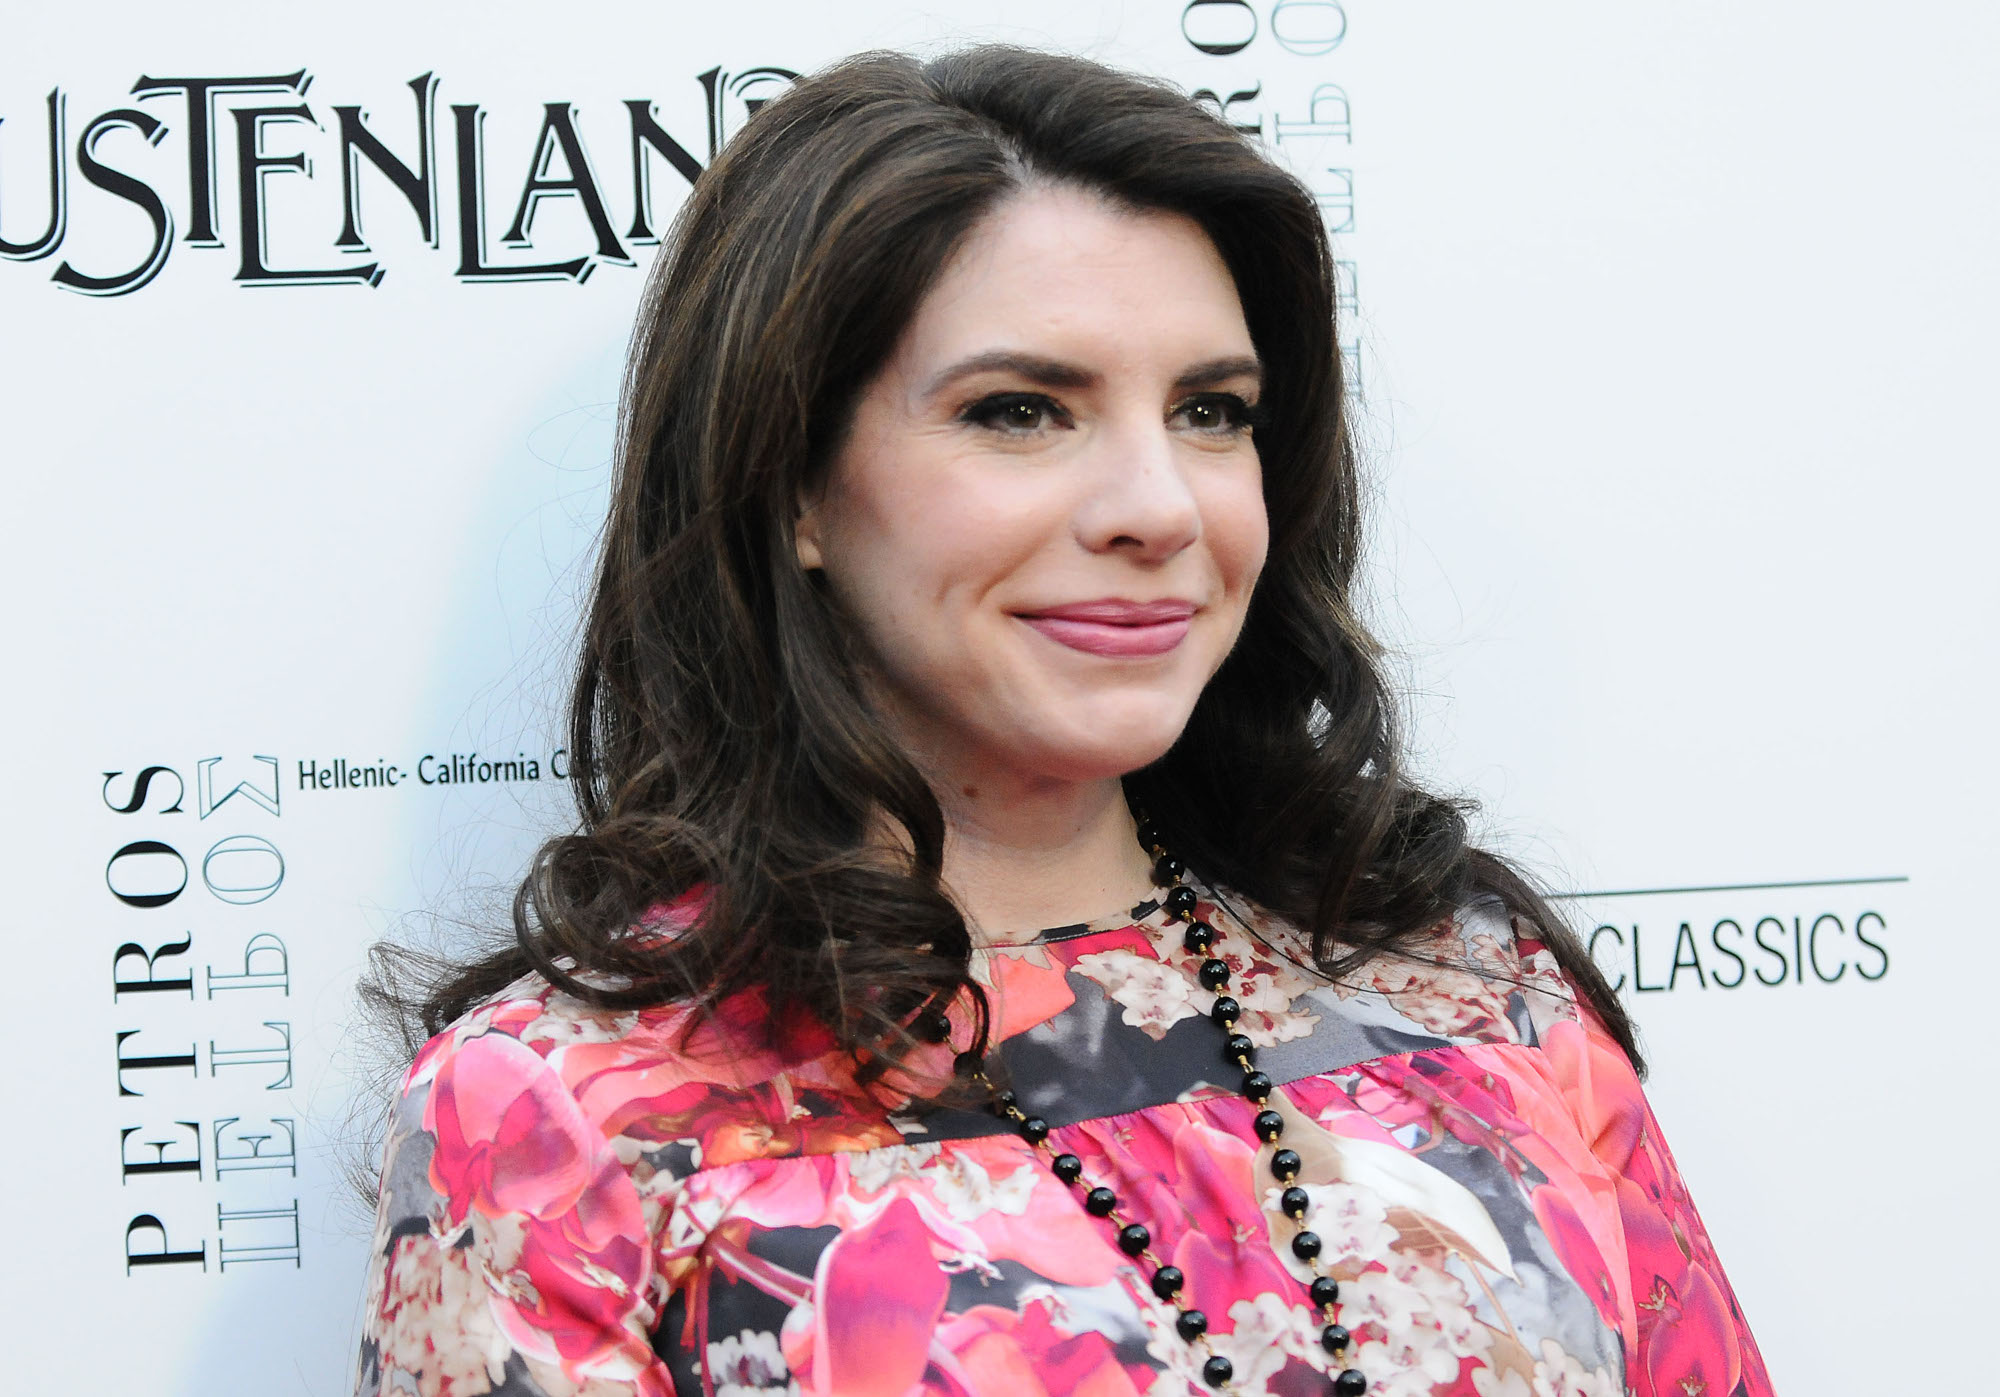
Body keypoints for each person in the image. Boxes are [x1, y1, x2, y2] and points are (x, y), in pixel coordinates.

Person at [353, 44, 1772, 1397]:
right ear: (793, 486)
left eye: (1212, 412)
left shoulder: (1469, 988)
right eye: (1024, 410)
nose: (1160, 506)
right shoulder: (568, 1114)